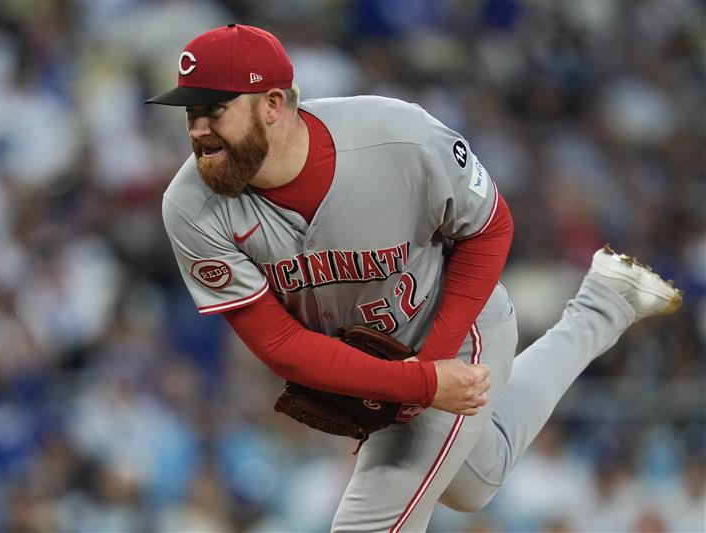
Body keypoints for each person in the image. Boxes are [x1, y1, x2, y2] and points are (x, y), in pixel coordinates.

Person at [147, 24, 682, 532]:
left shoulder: (396, 137)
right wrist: (415, 385)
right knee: (475, 480)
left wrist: (430, 373)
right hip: (379, 365)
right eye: (190, 112)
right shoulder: (191, 206)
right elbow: (281, 344)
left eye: (214, 110)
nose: (197, 129)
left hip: (453, 324)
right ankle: (606, 302)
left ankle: (601, 305)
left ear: (272, 104)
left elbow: (490, 227)